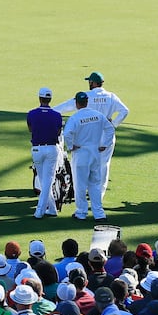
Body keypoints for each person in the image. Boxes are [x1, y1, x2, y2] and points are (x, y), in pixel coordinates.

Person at [54, 72, 129, 199]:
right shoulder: (111, 96)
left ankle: (80, 191)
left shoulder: (86, 96)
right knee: (103, 165)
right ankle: (99, 194)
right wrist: (113, 124)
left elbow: (66, 106)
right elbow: (124, 111)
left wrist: (50, 110)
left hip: (87, 134)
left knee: (81, 162)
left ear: (92, 83)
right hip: (106, 134)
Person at [61, 91, 115, 221]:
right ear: (87, 101)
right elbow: (110, 129)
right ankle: (99, 213)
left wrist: (70, 146)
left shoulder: (75, 118)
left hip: (81, 153)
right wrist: (104, 144)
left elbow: (67, 133)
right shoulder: (98, 115)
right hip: (95, 153)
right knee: (95, 184)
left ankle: (81, 212)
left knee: (80, 184)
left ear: (77, 103)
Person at [29, 87, 65, 219]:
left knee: (45, 180)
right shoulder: (57, 115)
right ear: (50, 99)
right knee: (47, 181)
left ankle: (40, 211)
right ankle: (52, 209)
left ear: (40, 98)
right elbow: (58, 132)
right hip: (52, 149)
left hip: (37, 149)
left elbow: (30, 129)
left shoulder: (32, 113)